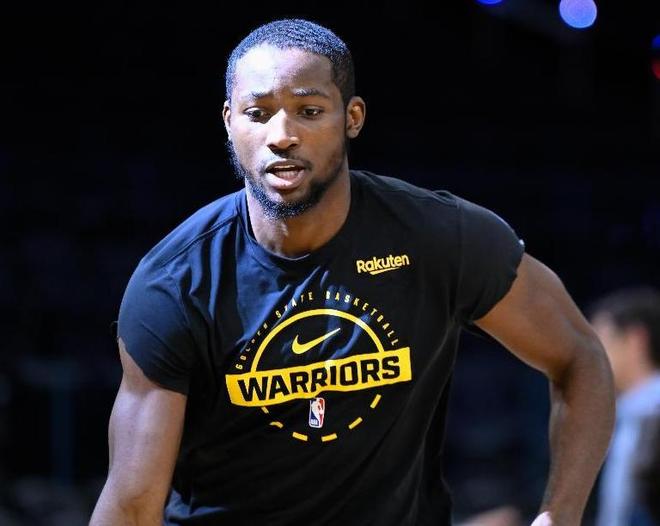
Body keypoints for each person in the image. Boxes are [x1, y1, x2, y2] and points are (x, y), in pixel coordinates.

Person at [90, 18, 615, 526]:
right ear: (229, 122)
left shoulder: (440, 237)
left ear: (352, 117)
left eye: (309, 111)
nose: (281, 135)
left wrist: (560, 514)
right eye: (258, 113)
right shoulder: (175, 281)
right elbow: (132, 507)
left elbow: (581, 358)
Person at [590, 287, 660, 526]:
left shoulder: (651, 412)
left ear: (635, 339)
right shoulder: (619, 418)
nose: (591, 357)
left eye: (601, 342)